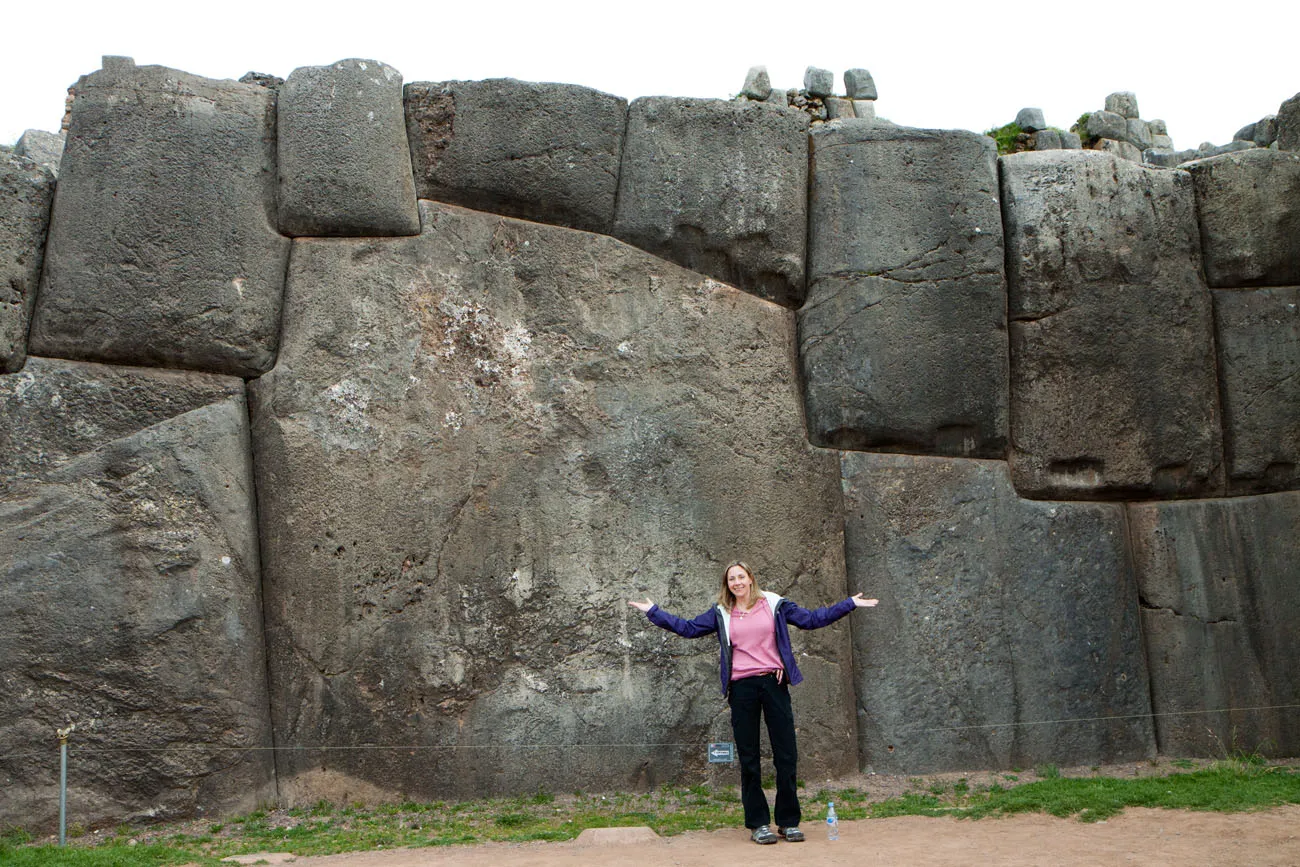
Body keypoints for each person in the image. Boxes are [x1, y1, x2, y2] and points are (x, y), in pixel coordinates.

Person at [628, 561, 878, 845]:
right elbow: (688, 628)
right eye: (731, 578)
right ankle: (758, 823)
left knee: (786, 755)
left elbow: (811, 620)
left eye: (741, 577)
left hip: (773, 683)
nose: (736, 582)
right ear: (728, 584)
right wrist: (654, 612)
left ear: (750, 579)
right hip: (742, 688)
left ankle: (788, 822)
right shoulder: (721, 612)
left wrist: (849, 604)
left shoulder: (773, 604)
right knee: (749, 759)